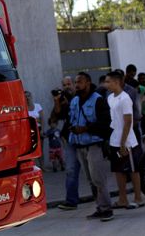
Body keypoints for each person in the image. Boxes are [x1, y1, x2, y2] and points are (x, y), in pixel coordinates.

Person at [68, 72, 113, 221]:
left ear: (88, 82)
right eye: (75, 82)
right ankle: (99, 207)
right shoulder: (74, 100)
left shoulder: (98, 100)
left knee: (98, 178)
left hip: (94, 145)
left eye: (79, 82)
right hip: (79, 145)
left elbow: (106, 123)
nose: (76, 85)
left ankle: (107, 209)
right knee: (90, 180)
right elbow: (70, 119)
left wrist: (86, 128)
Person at [105, 71, 145, 209]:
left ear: (116, 82)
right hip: (114, 140)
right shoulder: (110, 98)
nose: (106, 84)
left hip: (127, 141)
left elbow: (128, 122)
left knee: (133, 170)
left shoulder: (125, 98)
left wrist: (123, 143)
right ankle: (123, 199)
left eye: (108, 81)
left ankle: (138, 198)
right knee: (118, 170)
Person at [52, 76, 82, 210]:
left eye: (69, 84)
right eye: (64, 85)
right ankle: (71, 200)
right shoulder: (63, 101)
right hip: (70, 139)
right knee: (70, 170)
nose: (67, 87)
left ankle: (99, 199)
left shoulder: (82, 96)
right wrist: (57, 101)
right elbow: (56, 116)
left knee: (91, 171)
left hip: (84, 137)